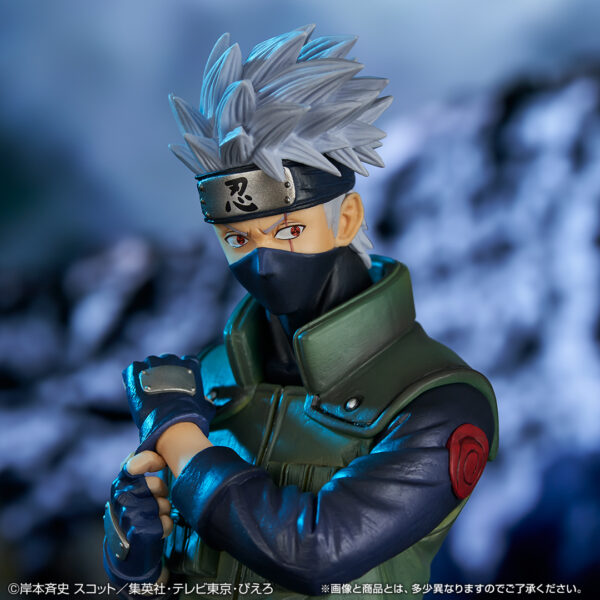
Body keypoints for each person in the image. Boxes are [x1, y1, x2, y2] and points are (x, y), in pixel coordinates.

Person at [103, 25, 499, 600]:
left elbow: (318, 552)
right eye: (238, 239)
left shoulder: (438, 401)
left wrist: (182, 444)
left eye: (288, 230)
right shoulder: (209, 378)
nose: (264, 263)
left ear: (346, 219)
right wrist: (139, 566)